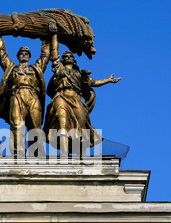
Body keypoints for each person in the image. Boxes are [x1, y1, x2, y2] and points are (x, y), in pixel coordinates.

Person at [43, 28, 121, 156]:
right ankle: (64, 154)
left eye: (70, 56)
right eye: (65, 56)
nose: (67, 57)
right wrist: (54, 35)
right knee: (62, 125)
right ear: (62, 60)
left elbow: (93, 83)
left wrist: (108, 80)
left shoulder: (79, 74)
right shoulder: (60, 69)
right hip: (61, 97)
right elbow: (54, 52)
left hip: (76, 99)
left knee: (82, 125)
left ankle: (81, 155)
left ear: (74, 61)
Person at [0, 36, 50, 156]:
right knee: (16, 125)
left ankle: (36, 153)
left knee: (35, 127)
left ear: (29, 56)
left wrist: (46, 40)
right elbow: (2, 57)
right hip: (17, 96)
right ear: (18, 56)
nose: (24, 55)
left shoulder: (36, 69)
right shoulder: (12, 68)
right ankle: (18, 152)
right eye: (21, 53)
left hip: (33, 97)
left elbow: (45, 57)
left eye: (26, 53)